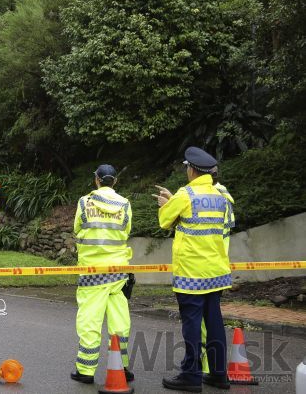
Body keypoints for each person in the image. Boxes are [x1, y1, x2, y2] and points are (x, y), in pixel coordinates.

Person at [153, 147, 232, 392]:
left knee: (192, 325)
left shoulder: (185, 194)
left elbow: (165, 220)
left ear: (192, 170)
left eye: (187, 167)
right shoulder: (222, 196)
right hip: (216, 272)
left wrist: (164, 204)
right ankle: (219, 374)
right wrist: (173, 201)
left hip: (191, 274)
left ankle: (191, 375)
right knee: (215, 322)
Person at [71, 164, 134, 384]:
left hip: (91, 273)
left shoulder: (83, 203)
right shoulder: (125, 204)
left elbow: (78, 230)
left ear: (96, 179)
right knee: (120, 321)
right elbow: (125, 232)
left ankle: (86, 371)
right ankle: (121, 366)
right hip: (118, 272)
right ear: (114, 181)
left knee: (90, 320)